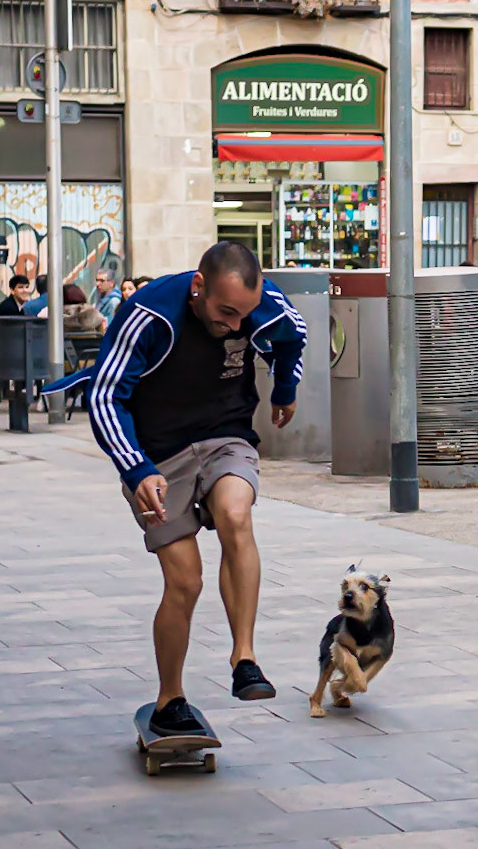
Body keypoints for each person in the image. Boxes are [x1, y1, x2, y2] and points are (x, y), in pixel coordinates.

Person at [48, 242, 307, 737]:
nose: (236, 326)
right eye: (225, 312)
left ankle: (244, 658)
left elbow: (294, 334)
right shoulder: (147, 314)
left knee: (235, 512)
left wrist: (285, 390)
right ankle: (170, 698)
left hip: (224, 433)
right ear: (198, 288)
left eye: (245, 315)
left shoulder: (261, 306)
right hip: (156, 454)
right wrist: (136, 468)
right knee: (185, 580)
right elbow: (104, 397)